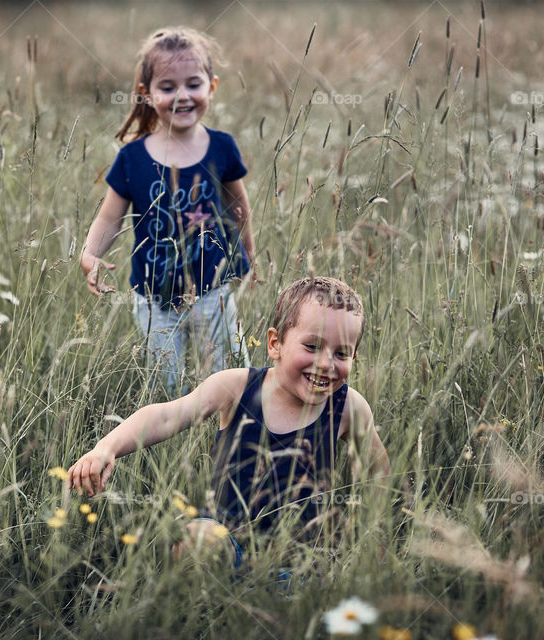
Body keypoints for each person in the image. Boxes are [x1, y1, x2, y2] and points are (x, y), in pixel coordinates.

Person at [68, 277, 390, 568]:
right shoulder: (238, 388)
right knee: (197, 540)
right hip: (226, 549)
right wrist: (106, 448)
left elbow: (378, 469)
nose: (325, 364)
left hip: (299, 566)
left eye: (341, 354)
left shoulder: (348, 407)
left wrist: (374, 534)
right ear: (274, 343)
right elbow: (166, 416)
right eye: (312, 346)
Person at [80, 26, 257, 392]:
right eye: (167, 87)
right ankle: (175, 442)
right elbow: (109, 217)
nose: (182, 96)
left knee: (230, 380)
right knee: (167, 387)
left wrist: (247, 254)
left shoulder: (221, 148)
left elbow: (238, 205)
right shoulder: (132, 158)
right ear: (147, 95)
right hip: (154, 299)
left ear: (212, 86)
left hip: (214, 292)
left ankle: (229, 438)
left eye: (193, 84)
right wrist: (90, 254)